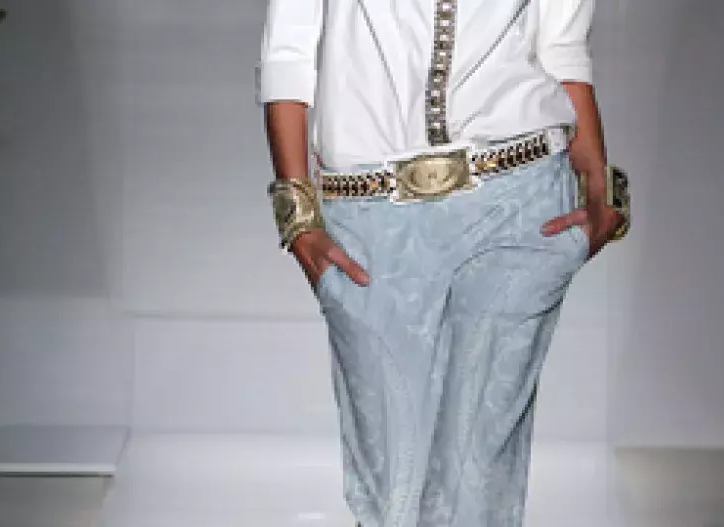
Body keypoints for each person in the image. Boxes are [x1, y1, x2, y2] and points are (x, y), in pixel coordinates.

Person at [256, 1, 629, 526]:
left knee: (479, 481)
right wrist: (298, 216)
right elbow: (287, 51)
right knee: (392, 489)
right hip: (371, 207)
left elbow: (561, 45)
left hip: (519, 197)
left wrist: (597, 184)